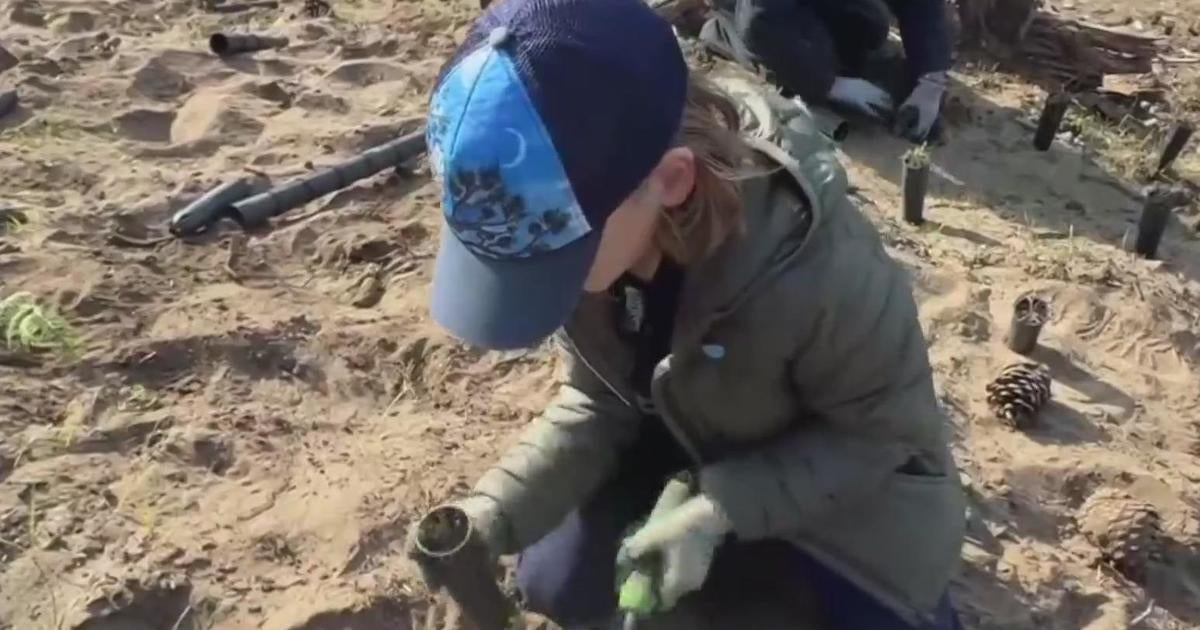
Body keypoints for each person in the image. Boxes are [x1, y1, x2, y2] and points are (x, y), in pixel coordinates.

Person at [413, 0, 966, 628]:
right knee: (556, 583)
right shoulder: (598, 230)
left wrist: (718, 508)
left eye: (558, 259)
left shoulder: (812, 268)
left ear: (673, 182)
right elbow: (598, 401)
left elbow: (882, 436)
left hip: (844, 501)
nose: (551, 287)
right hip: (691, 435)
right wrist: (496, 512)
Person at [702, 0, 953, 142]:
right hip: (758, 12)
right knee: (774, 51)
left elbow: (923, 6)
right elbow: (758, 22)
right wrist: (830, 84)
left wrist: (931, 81)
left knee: (870, 28)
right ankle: (722, 28)